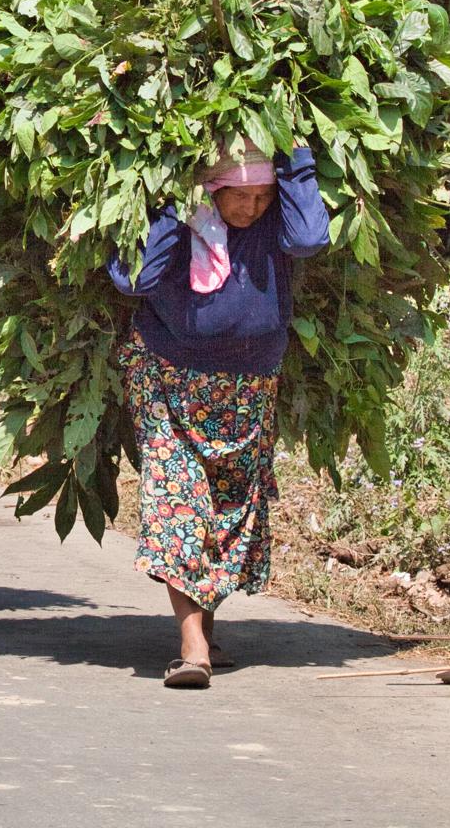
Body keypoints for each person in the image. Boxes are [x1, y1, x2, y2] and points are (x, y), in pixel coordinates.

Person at [107, 138, 330, 688]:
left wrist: (295, 162)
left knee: (232, 505)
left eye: (261, 195)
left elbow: (310, 239)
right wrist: (172, 203)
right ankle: (192, 647)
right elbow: (132, 279)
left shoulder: (274, 225)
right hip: (167, 376)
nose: (249, 208)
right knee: (177, 498)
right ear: (210, 184)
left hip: (250, 382)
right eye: (237, 195)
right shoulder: (184, 220)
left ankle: (203, 625)